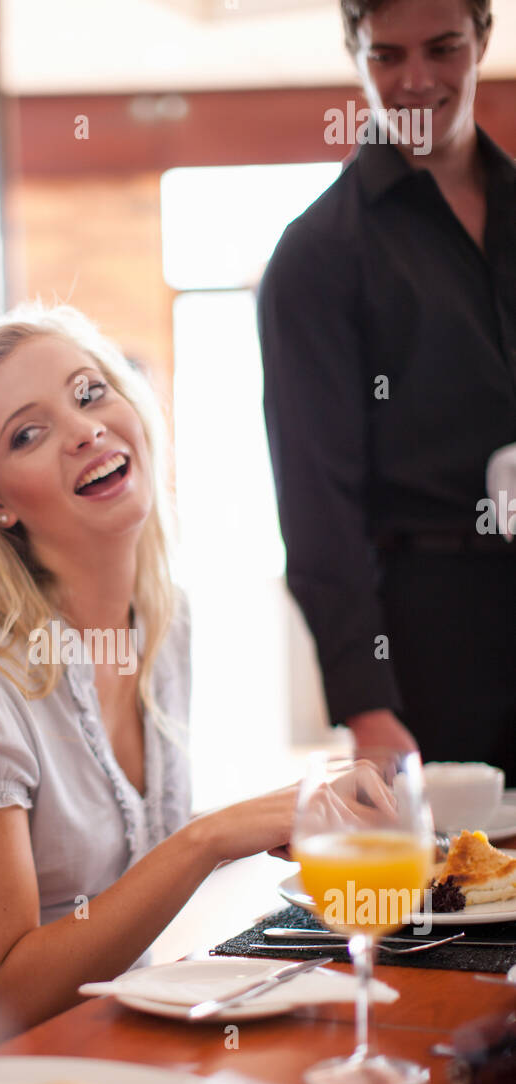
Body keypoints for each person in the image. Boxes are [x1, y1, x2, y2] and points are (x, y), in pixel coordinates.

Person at [0, 303, 301, 1052]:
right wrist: (211, 839)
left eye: (90, 391)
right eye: (28, 434)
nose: (82, 430)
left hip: (115, 1058)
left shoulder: (167, 623)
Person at [257, 0, 516, 778]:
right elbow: (316, 501)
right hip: (429, 641)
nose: (416, 81)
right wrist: (367, 704)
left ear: (483, 40)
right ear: (353, 50)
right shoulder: (317, 256)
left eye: (443, 49)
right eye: (386, 56)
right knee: (461, 893)